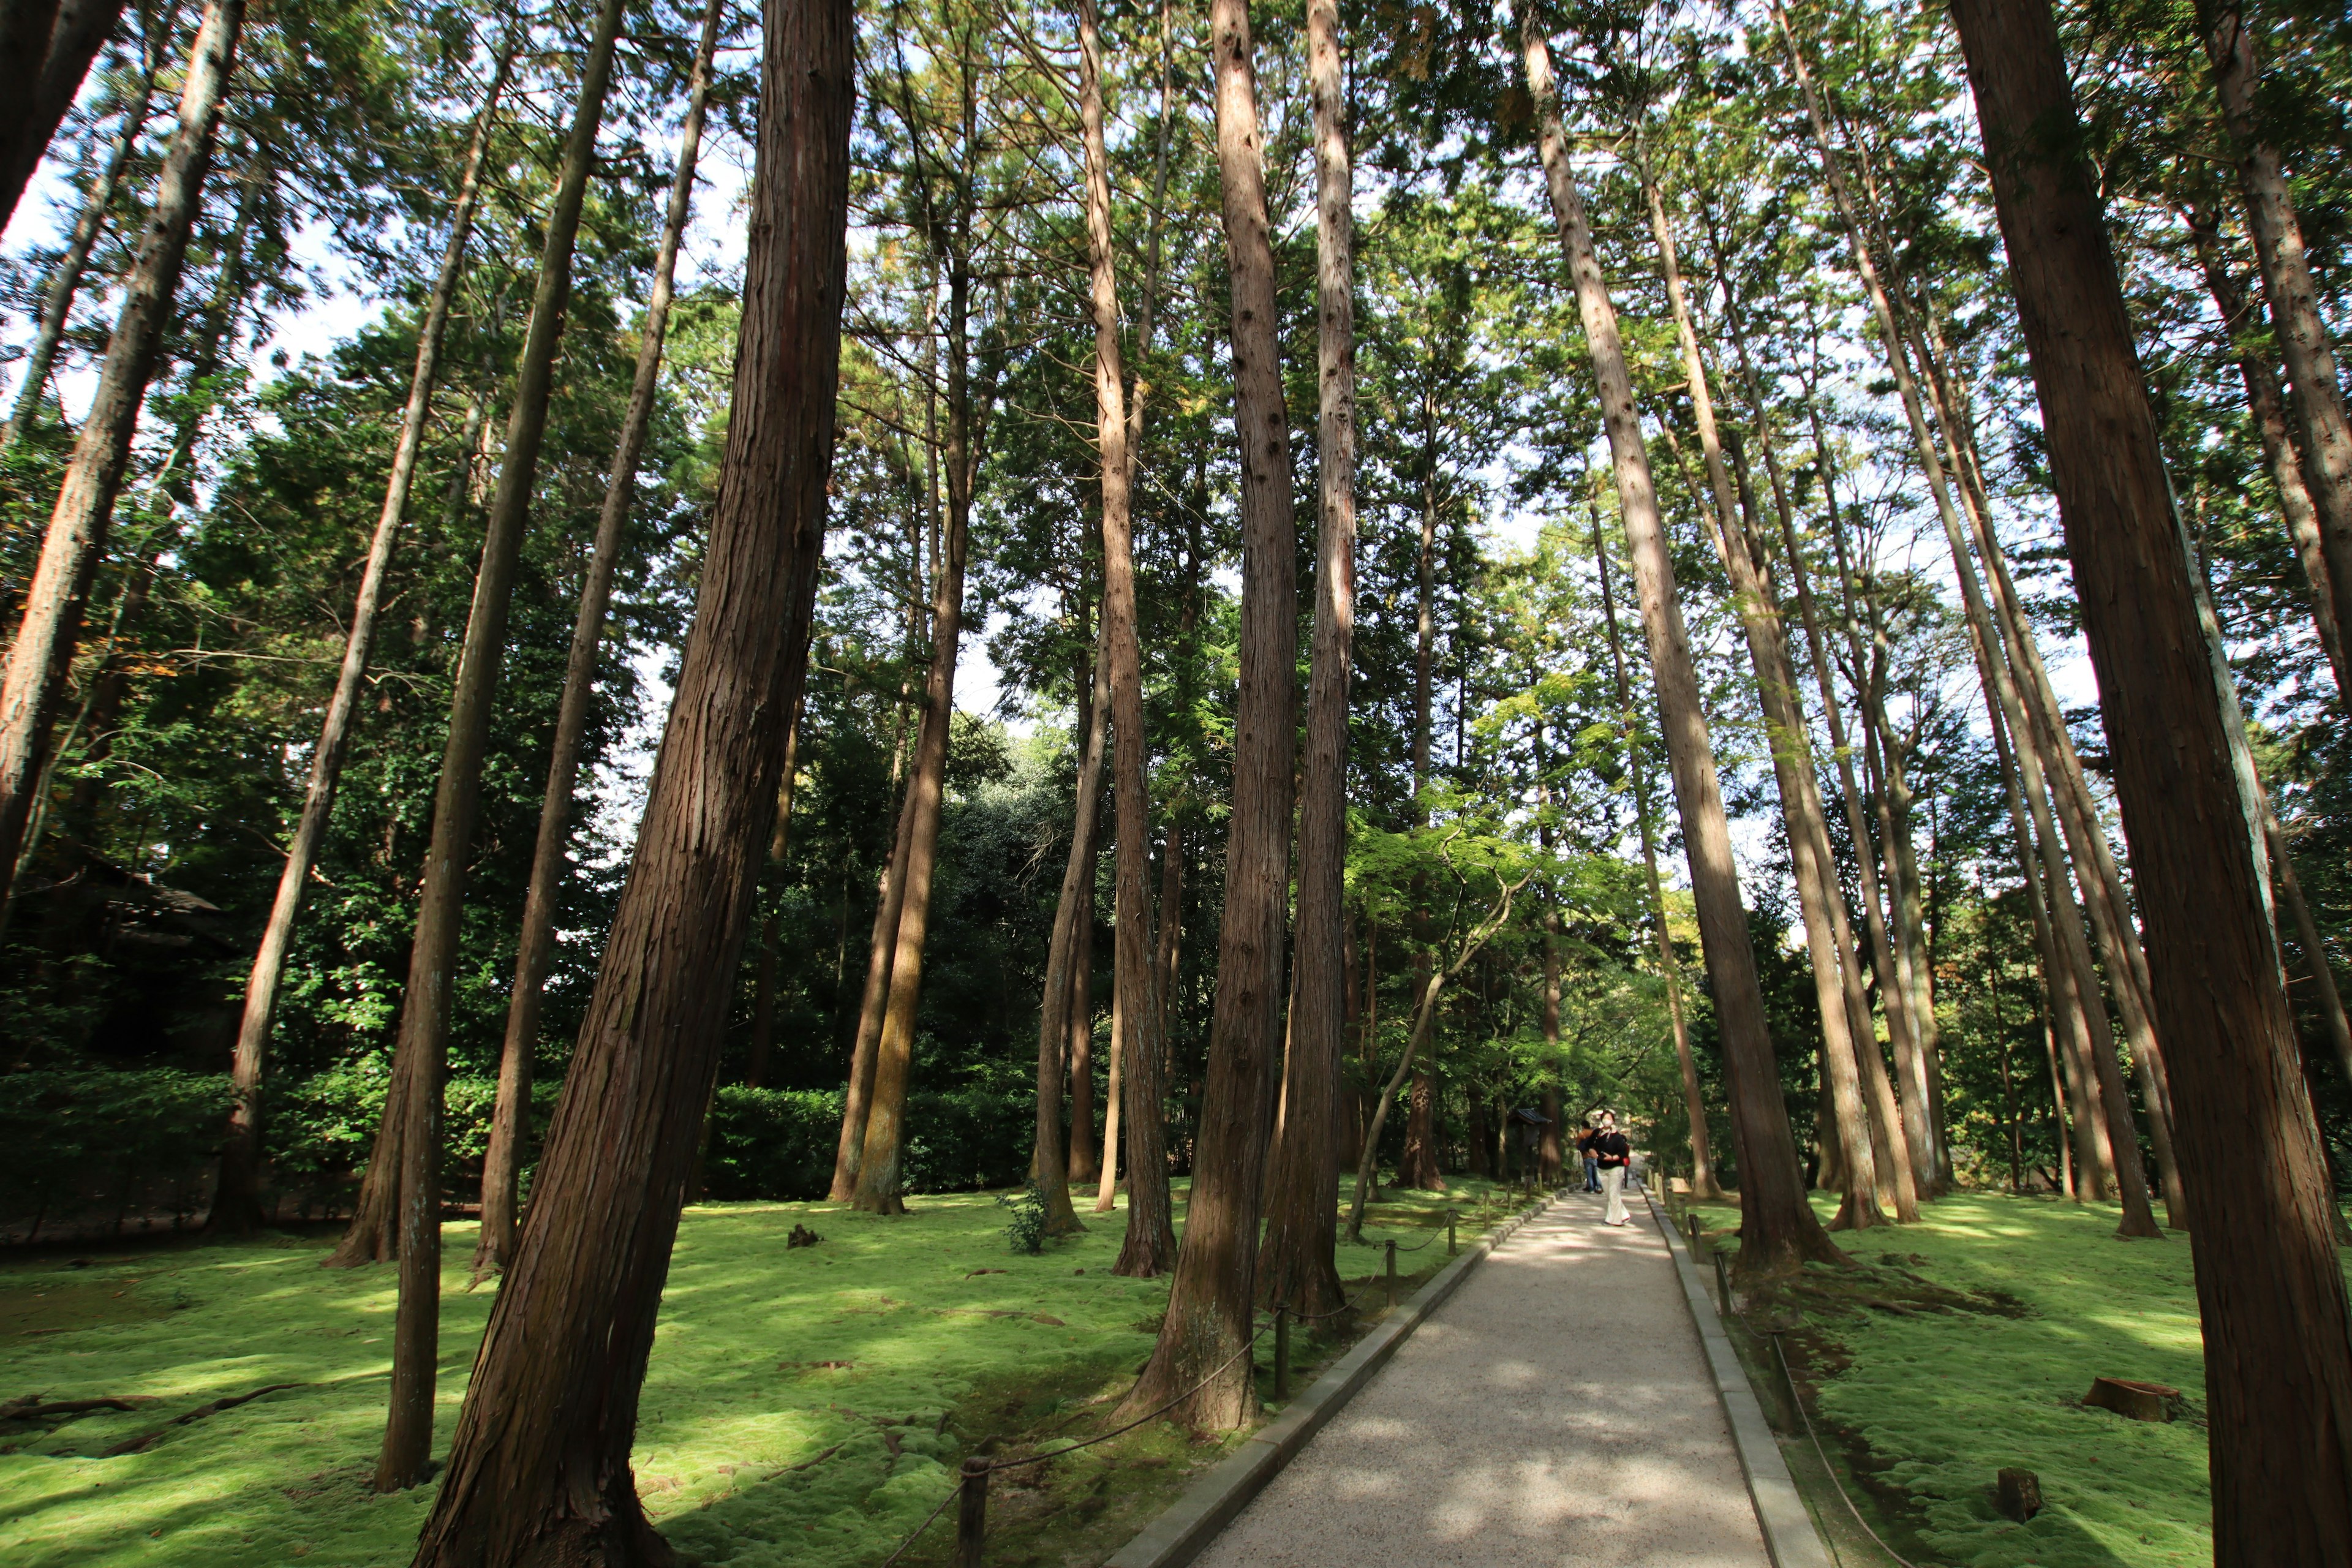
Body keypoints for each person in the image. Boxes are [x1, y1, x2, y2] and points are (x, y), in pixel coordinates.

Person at [1594, 1111, 1632, 1226]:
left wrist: (1612, 1158)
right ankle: (1624, 1214)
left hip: (1616, 1168)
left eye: (1609, 1118)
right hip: (1602, 1168)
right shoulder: (1598, 1136)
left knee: (1614, 1194)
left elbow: (1623, 1152)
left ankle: (1614, 1220)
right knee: (1609, 1194)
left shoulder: (1618, 1137)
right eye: (1605, 1118)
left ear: (1613, 1121)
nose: (1607, 1120)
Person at [1577, 1121, 1601, 1194]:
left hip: (1586, 1156)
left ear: (1583, 1127)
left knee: (1589, 1174)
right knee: (1597, 1173)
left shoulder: (1581, 1134)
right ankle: (1599, 1187)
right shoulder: (1594, 1133)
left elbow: (1578, 1145)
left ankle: (1591, 1188)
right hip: (1595, 1156)